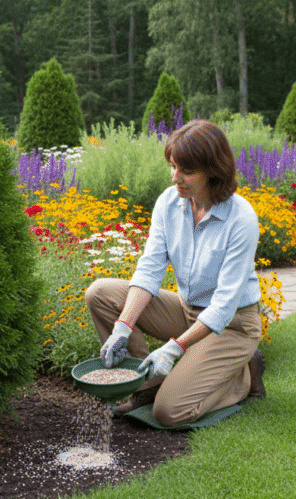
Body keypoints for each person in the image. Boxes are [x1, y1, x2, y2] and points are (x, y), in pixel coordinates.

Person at [86, 119, 266, 427]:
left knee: (169, 412)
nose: (175, 177)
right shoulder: (169, 203)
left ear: (213, 170)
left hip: (232, 325)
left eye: (186, 171)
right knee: (100, 294)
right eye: (172, 166)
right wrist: (122, 328)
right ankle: (145, 387)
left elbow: (223, 306)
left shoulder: (241, 219)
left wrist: (173, 349)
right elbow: (149, 270)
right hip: (185, 310)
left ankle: (244, 377)